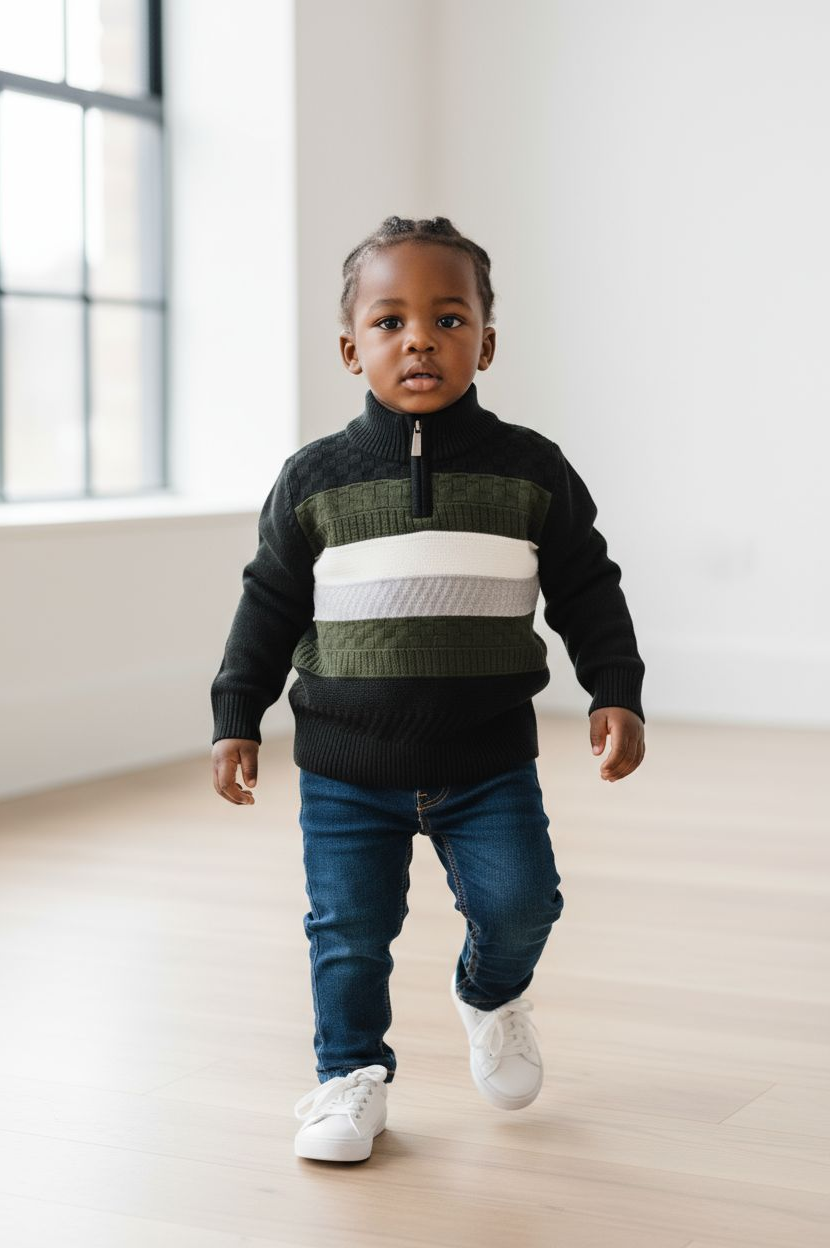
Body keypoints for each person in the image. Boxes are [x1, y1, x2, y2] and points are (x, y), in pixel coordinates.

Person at [210, 215, 646, 1163]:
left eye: (448, 319)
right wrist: (236, 712)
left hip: (487, 759)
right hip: (343, 767)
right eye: (391, 320)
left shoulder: (531, 469)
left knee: (523, 905)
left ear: (486, 341)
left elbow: (586, 583)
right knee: (350, 934)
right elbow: (269, 601)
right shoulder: (314, 480)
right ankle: (348, 1079)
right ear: (350, 345)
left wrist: (615, 686)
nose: (419, 339)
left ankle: (491, 995)